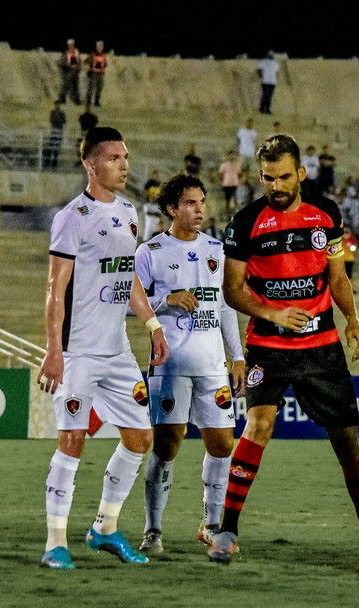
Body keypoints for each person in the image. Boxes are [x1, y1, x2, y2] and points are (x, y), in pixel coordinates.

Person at [206, 134, 359, 572]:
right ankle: (227, 531)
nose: (274, 186)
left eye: (282, 177)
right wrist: (274, 313)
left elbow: (337, 277)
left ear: (301, 173)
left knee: (347, 441)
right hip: (268, 347)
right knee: (259, 425)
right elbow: (233, 291)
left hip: (321, 348)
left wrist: (352, 319)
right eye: (266, 178)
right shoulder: (244, 223)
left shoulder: (326, 214)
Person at [36, 127, 168, 570]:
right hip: (77, 352)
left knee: (140, 436)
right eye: (113, 157)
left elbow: (126, 277)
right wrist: (53, 351)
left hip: (116, 352)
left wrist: (151, 324)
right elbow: (56, 289)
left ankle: (105, 528)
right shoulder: (73, 216)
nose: (124, 164)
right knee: (72, 439)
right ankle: (55, 542)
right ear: (91, 165)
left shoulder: (130, 212)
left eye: (125, 156)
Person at [133, 174, 246, 555]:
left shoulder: (218, 249)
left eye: (202, 202)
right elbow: (133, 306)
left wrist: (239, 355)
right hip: (170, 365)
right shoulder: (151, 251)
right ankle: (152, 530)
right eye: (191, 203)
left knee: (222, 445)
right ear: (171, 209)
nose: (200, 210)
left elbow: (226, 306)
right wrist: (167, 300)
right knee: (167, 446)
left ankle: (211, 524)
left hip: (213, 365)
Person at [57, 38, 82, 105]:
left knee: (75, 86)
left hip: (75, 72)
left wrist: (79, 68)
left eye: (72, 45)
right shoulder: (66, 53)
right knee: (65, 85)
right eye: (70, 45)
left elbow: (79, 61)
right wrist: (66, 66)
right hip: (69, 71)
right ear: (68, 45)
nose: (71, 46)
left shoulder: (77, 52)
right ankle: (62, 99)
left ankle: (77, 100)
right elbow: (60, 62)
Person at [84, 40, 108, 107]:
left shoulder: (103, 55)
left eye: (101, 47)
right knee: (91, 88)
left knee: (99, 88)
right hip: (93, 73)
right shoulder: (92, 54)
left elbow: (105, 64)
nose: (99, 48)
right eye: (98, 47)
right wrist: (89, 68)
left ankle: (96, 102)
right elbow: (86, 61)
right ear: (96, 47)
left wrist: (103, 66)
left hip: (100, 74)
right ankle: (88, 101)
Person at [44, 101, 67, 169]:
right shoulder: (53, 112)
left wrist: (58, 118)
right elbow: (51, 120)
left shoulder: (62, 113)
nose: (57, 106)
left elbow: (64, 121)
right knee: (50, 148)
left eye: (58, 105)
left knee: (56, 149)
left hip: (59, 132)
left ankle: (54, 164)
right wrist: (57, 118)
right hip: (53, 132)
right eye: (56, 105)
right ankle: (47, 162)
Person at [217, 150, 241, 216]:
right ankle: (228, 214)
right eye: (230, 155)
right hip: (227, 184)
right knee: (227, 199)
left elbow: (239, 173)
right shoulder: (224, 165)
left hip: (235, 183)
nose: (232, 157)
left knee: (235, 198)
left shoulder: (237, 164)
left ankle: (236, 213)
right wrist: (222, 181)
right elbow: (220, 174)